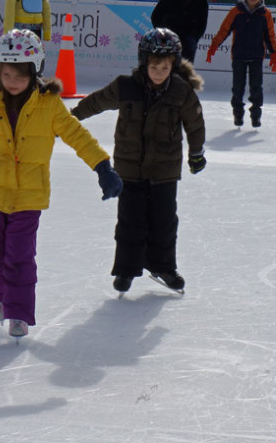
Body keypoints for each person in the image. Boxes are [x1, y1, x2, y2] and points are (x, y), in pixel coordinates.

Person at [0, 29, 122, 339]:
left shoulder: (49, 105)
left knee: (19, 257)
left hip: (29, 195)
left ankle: (19, 313)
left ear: (35, 71)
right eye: (6, 73)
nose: (12, 81)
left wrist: (102, 166)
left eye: (20, 75)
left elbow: (77, 136)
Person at [71, 28, 206, 295]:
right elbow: (96, 101)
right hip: (129, 169)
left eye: (165, 67)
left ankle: (164, 267)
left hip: (164, 170)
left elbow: (195, 123)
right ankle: (125, 269)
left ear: (174, 66)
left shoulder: (181, 91)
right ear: (144, 63)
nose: (159, 71)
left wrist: (196, 153)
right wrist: (70, 118)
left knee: (165, 222)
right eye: (154, 66)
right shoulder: (126, 86)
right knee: (130, 222)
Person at [206, 0, 276, 128]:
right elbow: (224, 30)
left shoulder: (265, 13)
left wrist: (275, 53)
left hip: (256, 57)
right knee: (237, 88)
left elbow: (270, 35)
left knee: (256, 88)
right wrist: (214, 45)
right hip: (239, 56)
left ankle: (256, 115)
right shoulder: (236, 12)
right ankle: (238, 114)